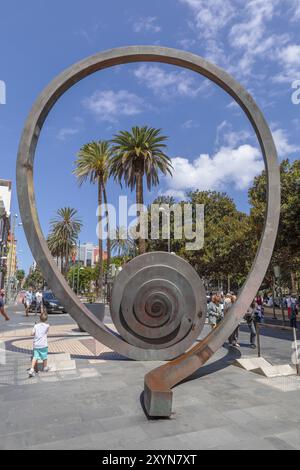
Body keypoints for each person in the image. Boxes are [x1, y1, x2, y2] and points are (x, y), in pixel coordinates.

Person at [28, 311, 50, 378]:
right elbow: (46, 332)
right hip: (43, 344)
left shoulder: (35, 326)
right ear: (46, 319)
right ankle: (45, 367)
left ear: (39, 318)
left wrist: (35, 326)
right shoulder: (47, 326)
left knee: (35, 357)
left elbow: (31, 334)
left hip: (36, 345)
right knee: (44, 356)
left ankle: (31, 369)